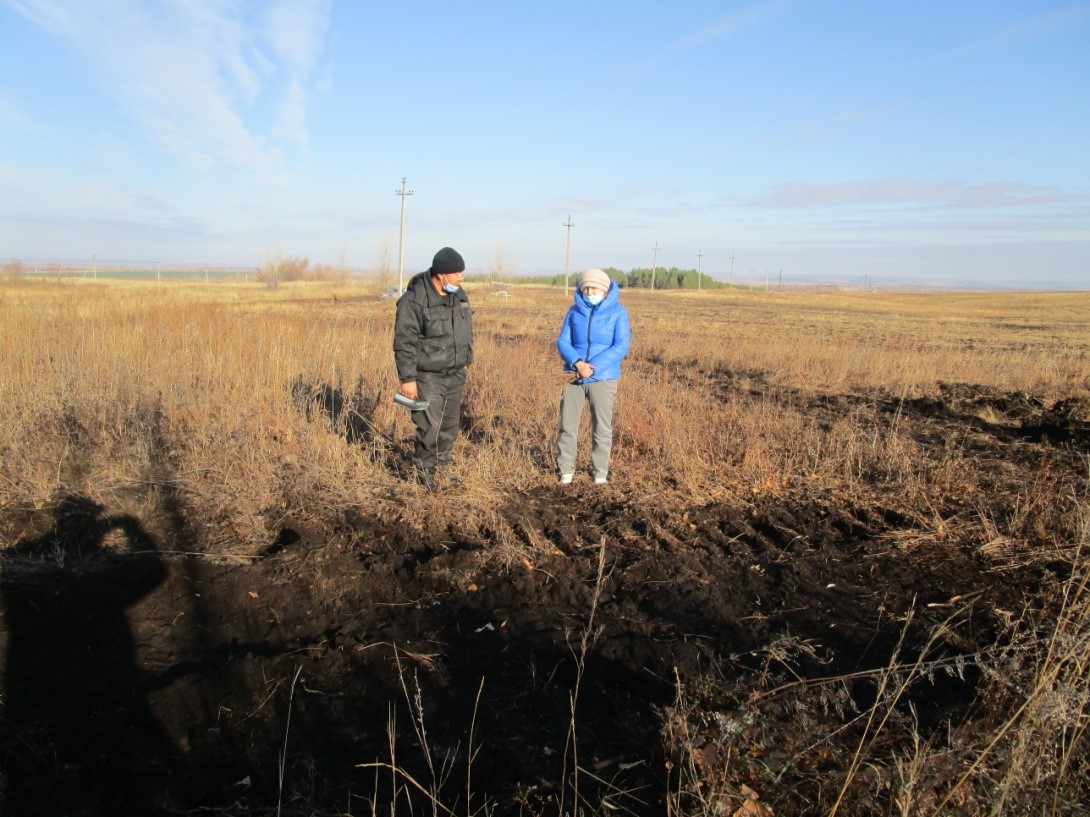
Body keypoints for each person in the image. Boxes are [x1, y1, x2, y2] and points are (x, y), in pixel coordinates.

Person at [393, 246, 474, 489]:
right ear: (441, 274)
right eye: (457, 273)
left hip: (455, 374)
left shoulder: (459, 296)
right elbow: (404, 341)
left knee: (449, 426)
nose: (461, 278)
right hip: (427, 376)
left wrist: (466, 359)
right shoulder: (413, 301)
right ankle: (423, 473)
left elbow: (466, 331)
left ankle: (441, 466)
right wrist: (408, 379)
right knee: (430, 426)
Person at [555, 268, 631, 485]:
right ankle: (566, 471)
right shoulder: (573, 311)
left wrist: (593, 367)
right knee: (568, 425)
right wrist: (577, 363)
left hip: (603, 377)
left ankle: (599, 474)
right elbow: (563, 341)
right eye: (585, 288)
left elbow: (621, 345)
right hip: (573, 375)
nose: (589, 292)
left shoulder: (618, 312)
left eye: (594, 288)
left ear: (605, 290)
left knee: (602, 427)